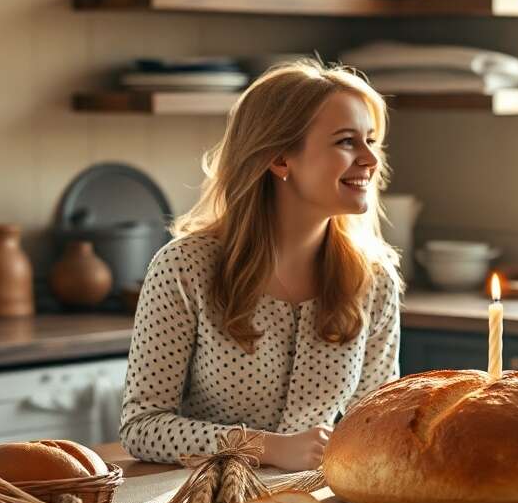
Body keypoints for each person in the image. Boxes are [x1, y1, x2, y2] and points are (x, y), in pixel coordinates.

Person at [121, 60, 401, 471]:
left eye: (370, 141)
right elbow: (142, 427)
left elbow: (375, 427)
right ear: (279, 159)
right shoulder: (184, 267)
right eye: (345, 142)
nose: (370, 160)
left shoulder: (373, 281)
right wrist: (263, 447)